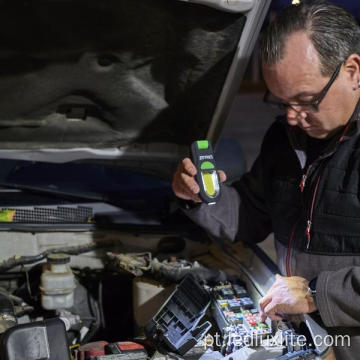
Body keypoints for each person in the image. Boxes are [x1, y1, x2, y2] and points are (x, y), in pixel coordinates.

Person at [171, 1, 360, 359]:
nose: (291, 117)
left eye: (306, 100)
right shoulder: (286, 139)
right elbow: (252, 212)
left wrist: (318, 294)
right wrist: (201, 196)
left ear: (352, 70)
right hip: (311, 338)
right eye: (281, 102)